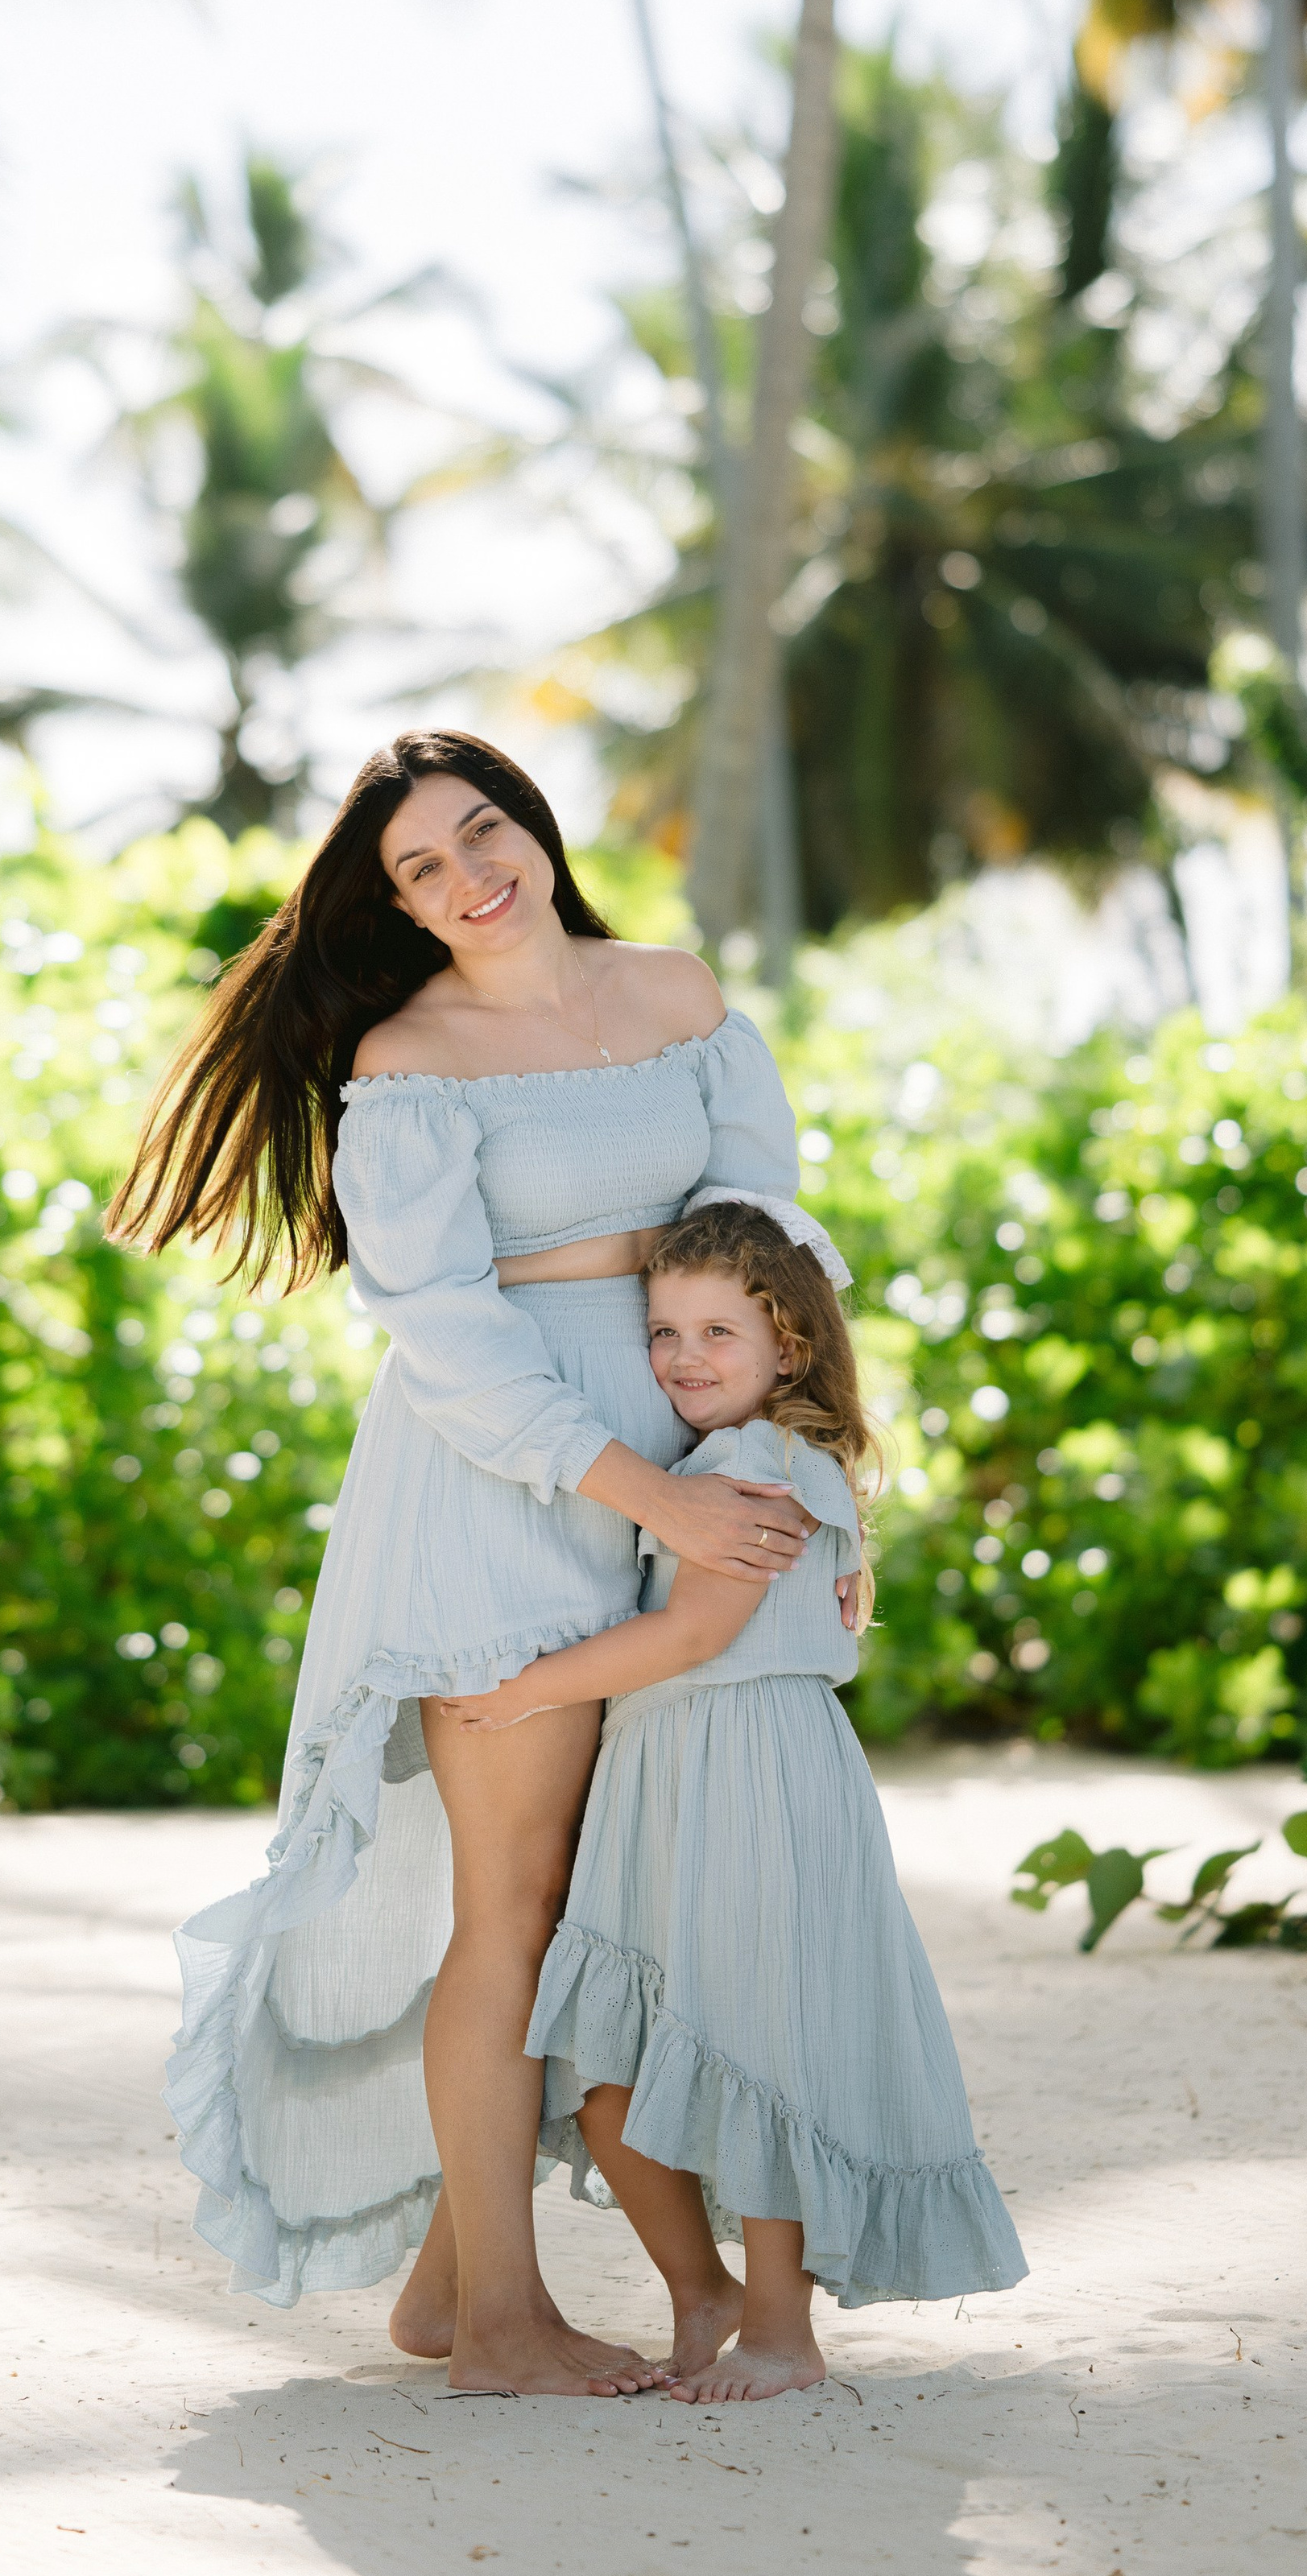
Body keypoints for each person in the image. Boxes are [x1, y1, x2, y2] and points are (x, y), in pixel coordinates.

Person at [109, 731, 824, 2396]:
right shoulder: (408, 1054)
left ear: (533, 822)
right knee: (511, 1901)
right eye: (416, 872)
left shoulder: (677, 992)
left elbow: (774, 1237)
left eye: (477, 833)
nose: (461, 880)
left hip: (684, 1465)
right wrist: (650, 1496)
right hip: (497, 1483)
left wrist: (794, 1477)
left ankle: (447, 2286)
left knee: (597, 1892)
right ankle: (499, 2323)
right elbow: (438, 1331)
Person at [440, 1200, 1028, 2400]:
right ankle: (702, 2291)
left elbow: (696, 1629)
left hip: (750, 1774)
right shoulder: (716, 1462)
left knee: (762, 2047)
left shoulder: (758, 1461)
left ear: (790, 1349)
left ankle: (781, 2331)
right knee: (608, 2075)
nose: (684, 1355)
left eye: (719, 1329)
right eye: (663, 1329)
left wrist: (523, 1690)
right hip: (672, 1782)